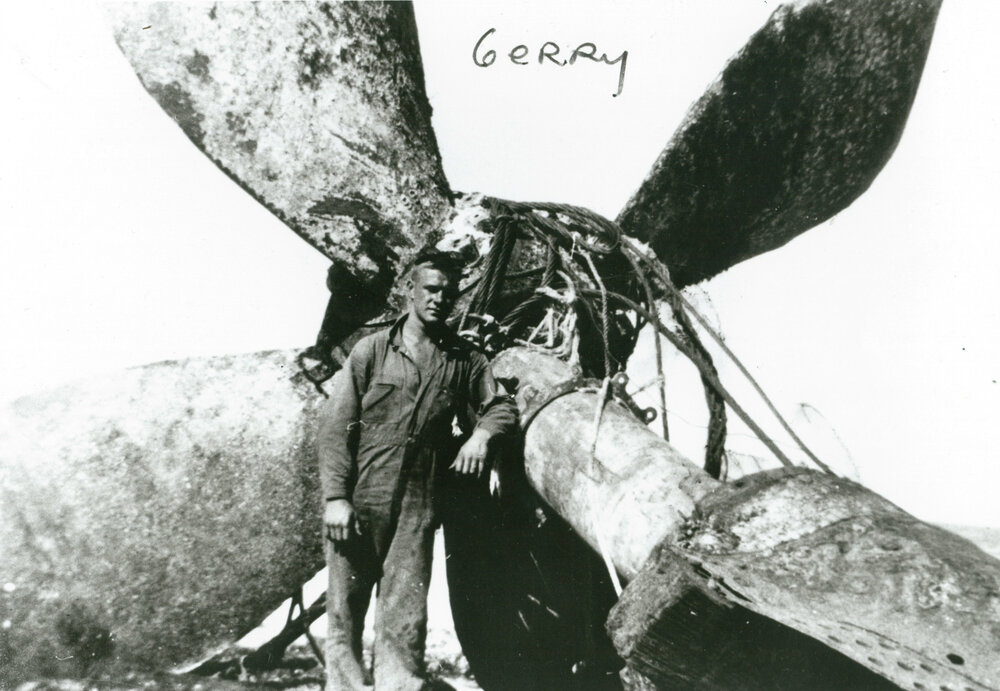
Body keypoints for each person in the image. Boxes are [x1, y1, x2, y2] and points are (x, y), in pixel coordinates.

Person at [317, 250, 519, 690]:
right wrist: (335, 498)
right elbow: (335, 428)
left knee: (405, 607)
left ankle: (399, 683)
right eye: (431, 289)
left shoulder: (465, 359)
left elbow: (501, 405)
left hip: (418, 500)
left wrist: (481, 436)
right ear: (410, 289)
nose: (439, 299)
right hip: (363, 493)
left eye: (448, 293)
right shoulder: (371, 351)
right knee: (345, 605)